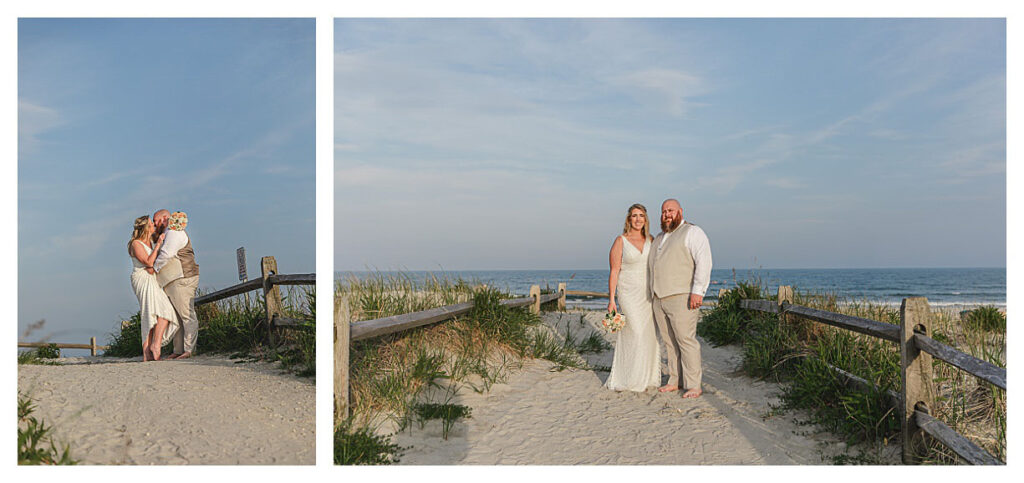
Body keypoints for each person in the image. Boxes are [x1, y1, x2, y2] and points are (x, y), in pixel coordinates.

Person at [648, 199, 712, 398]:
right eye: (664, 211)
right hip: (659, 297)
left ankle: (694, 385)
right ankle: (675, 380)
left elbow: (704, 261)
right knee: (669, 342)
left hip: (682, 296)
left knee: (686, 340)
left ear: (680, 212)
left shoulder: (693, 232)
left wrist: (698, 291)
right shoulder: (658, 238)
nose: (667, 214)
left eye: (671, 211)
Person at [604, 203, 661, 392]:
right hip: (628, 293)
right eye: (634, 216)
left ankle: (647, 378)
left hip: (647, 294)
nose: (638, 219)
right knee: (634, 332)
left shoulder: (651, 240)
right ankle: (628, 378)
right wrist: (612, 300)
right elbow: (614, 271)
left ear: (646, 219)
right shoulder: (620, 240)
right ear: (629, 219)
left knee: (648, 334)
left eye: (641, 216)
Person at [128, 215, 179, 361]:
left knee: (164, 311)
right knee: (149, 312)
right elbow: (149, 262)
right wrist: (158, 245)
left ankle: (155, 345)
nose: (154, 225)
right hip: (142, 279)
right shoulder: (135, 244)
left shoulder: (150, 241)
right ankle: (147, 351)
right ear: (145, 227)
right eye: (151, 223)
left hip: (152, 278)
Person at [152, 210, 201, 359]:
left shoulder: (174, 233)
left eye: (155, 221)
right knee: (177, 317)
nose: (154, 224)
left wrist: (153, 269)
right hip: (174, 280)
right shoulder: (168, 233)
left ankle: (189, 350)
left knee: (186, 314)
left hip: (182, 278)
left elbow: (167, 254)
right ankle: (178, 350)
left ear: (164, 219)